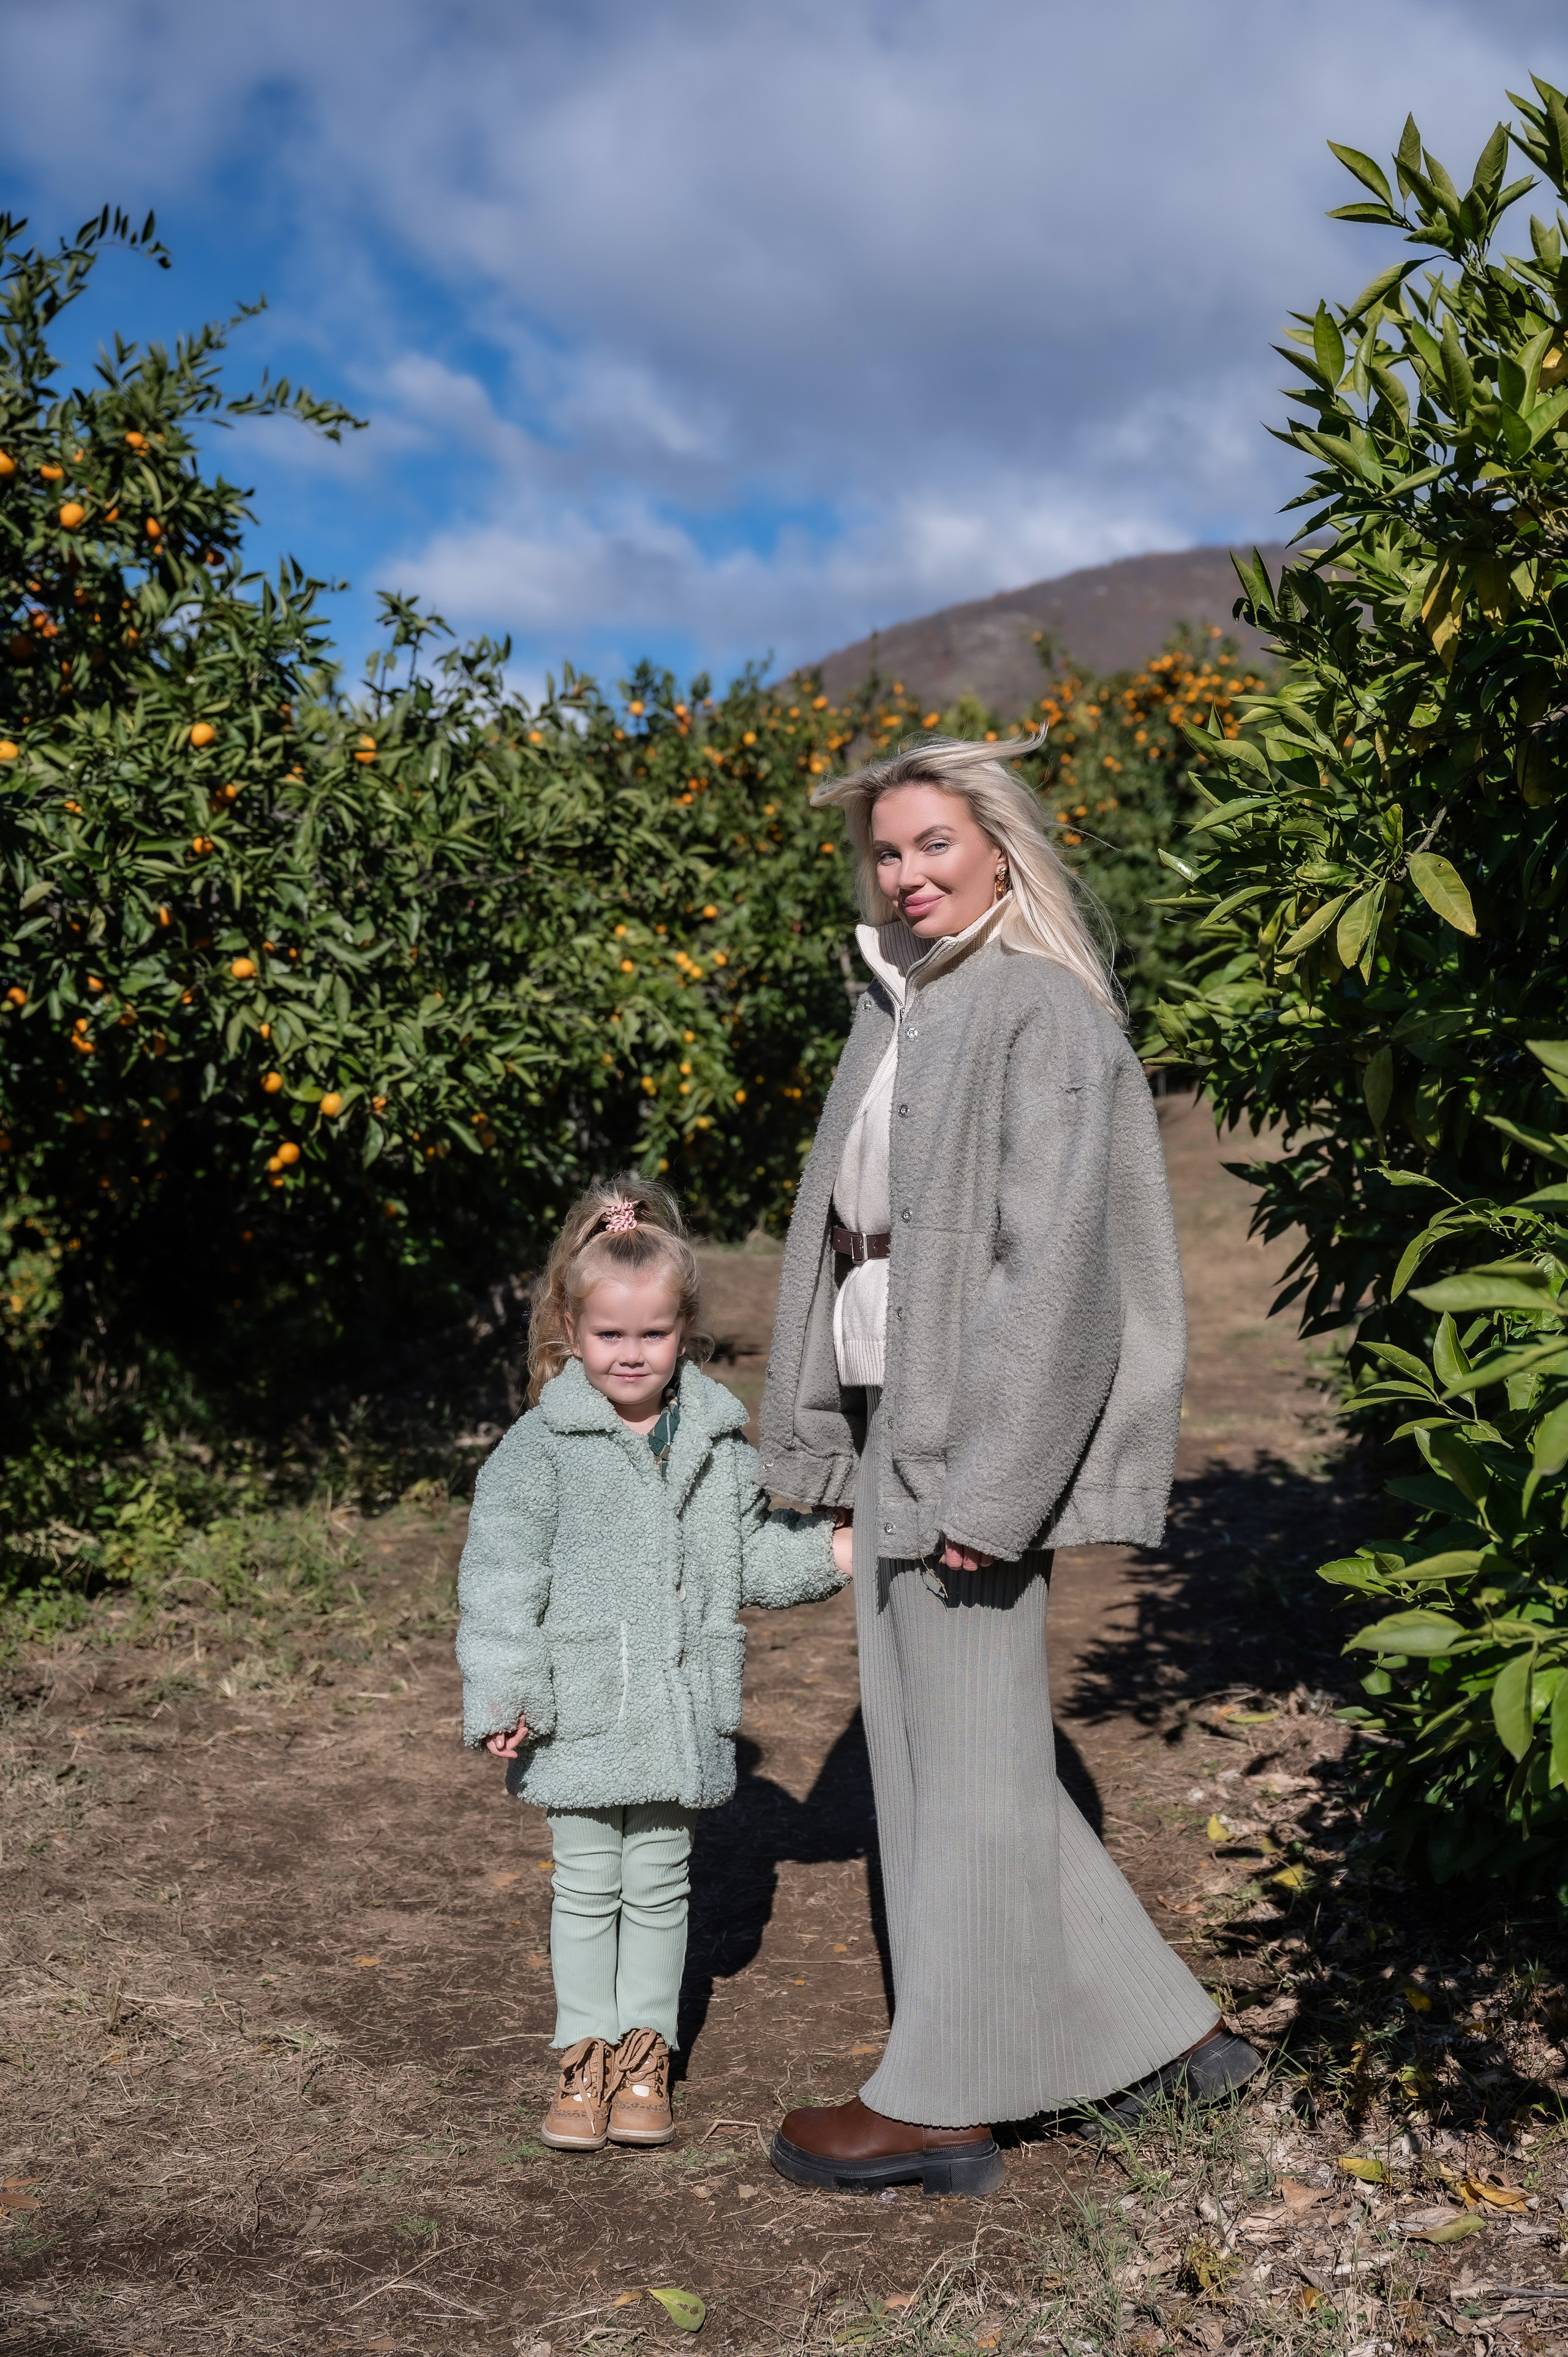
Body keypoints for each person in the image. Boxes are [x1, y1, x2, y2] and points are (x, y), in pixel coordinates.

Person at [759, 735, 1260, 2197]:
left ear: (997, 848)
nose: (905, 876)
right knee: (939, 1757)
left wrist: (996, 1486)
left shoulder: (1040, 1011)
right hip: (888, 1419)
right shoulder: (899, 1006)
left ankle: (941, 2100)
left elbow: (1057, 1281)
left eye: (931, 845)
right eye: (885, 853)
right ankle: (1171, 2046)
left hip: (969, 1438)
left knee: (960, 1773)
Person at [456, 1175, 854, 2152]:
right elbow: (500, 1581)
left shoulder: (716, 1445)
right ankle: (581, 2056)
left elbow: (749, 1556)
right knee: (588, 1885)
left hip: (678, 1710)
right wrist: (507, 1691)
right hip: (581, 1710)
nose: (631, 1355)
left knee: (664, 1881)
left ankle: (646, 2055)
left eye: (653, 1336)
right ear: (570, 1328)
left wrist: (830, 1554)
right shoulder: (540, 1448)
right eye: (610, 1336)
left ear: (685, 1332)